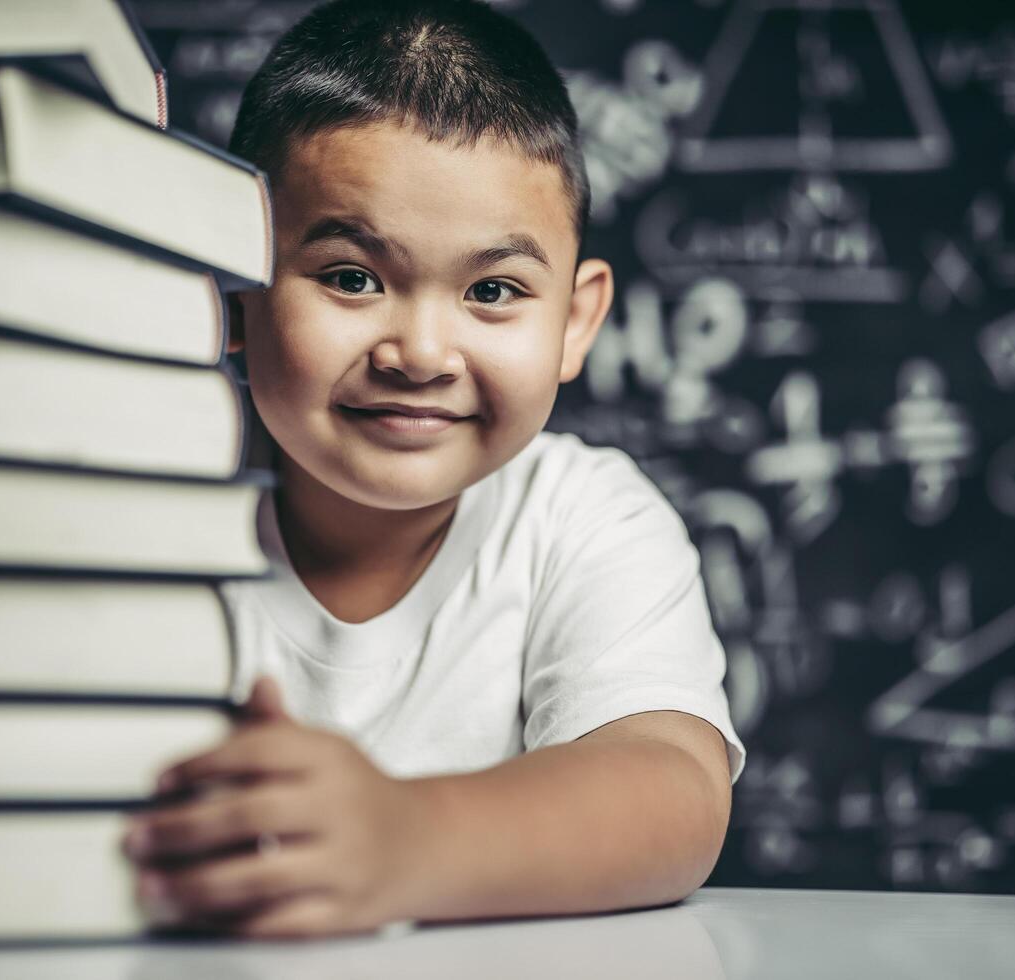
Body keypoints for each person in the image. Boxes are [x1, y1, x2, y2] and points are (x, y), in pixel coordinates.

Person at [122, 0, 745, 938]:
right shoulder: (127, 505)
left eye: (491, 291)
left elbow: (674, 791)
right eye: (351, 277)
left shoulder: (584, 517)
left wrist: (403, 841)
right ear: (236, 297)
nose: (418, 352)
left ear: (575, 322)